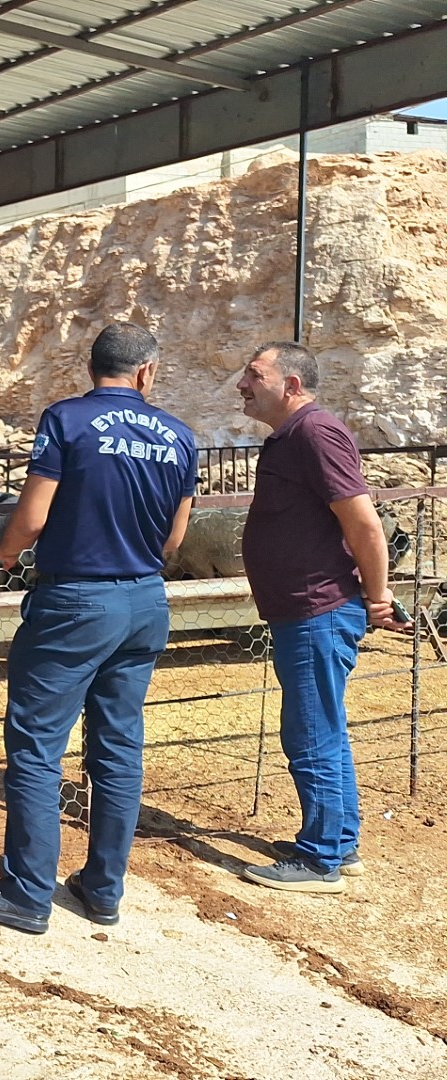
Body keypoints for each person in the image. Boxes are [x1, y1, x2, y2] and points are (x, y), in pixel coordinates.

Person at [0, 323, 196, 935]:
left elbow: (32, 517)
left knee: (36, 747)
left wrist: (2, 551)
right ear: (146, 372)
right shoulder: (181, 436)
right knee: (118, 747)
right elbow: (174, 539)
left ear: (92, 367)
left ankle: (27, 893)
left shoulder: (68, 420)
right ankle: (104, 889)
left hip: (74, 601)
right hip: (144, 600)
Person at [234, 340, 410, 893]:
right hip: (307, 612)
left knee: (310, 733)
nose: (242, 384)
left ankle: (320, 860)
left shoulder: (314, 432)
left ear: (291, 384)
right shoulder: (295, 435)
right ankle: (339, 843)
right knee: (321, 728)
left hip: (318, 611)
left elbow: (365, 525)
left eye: (254, 375)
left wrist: (378, 596)